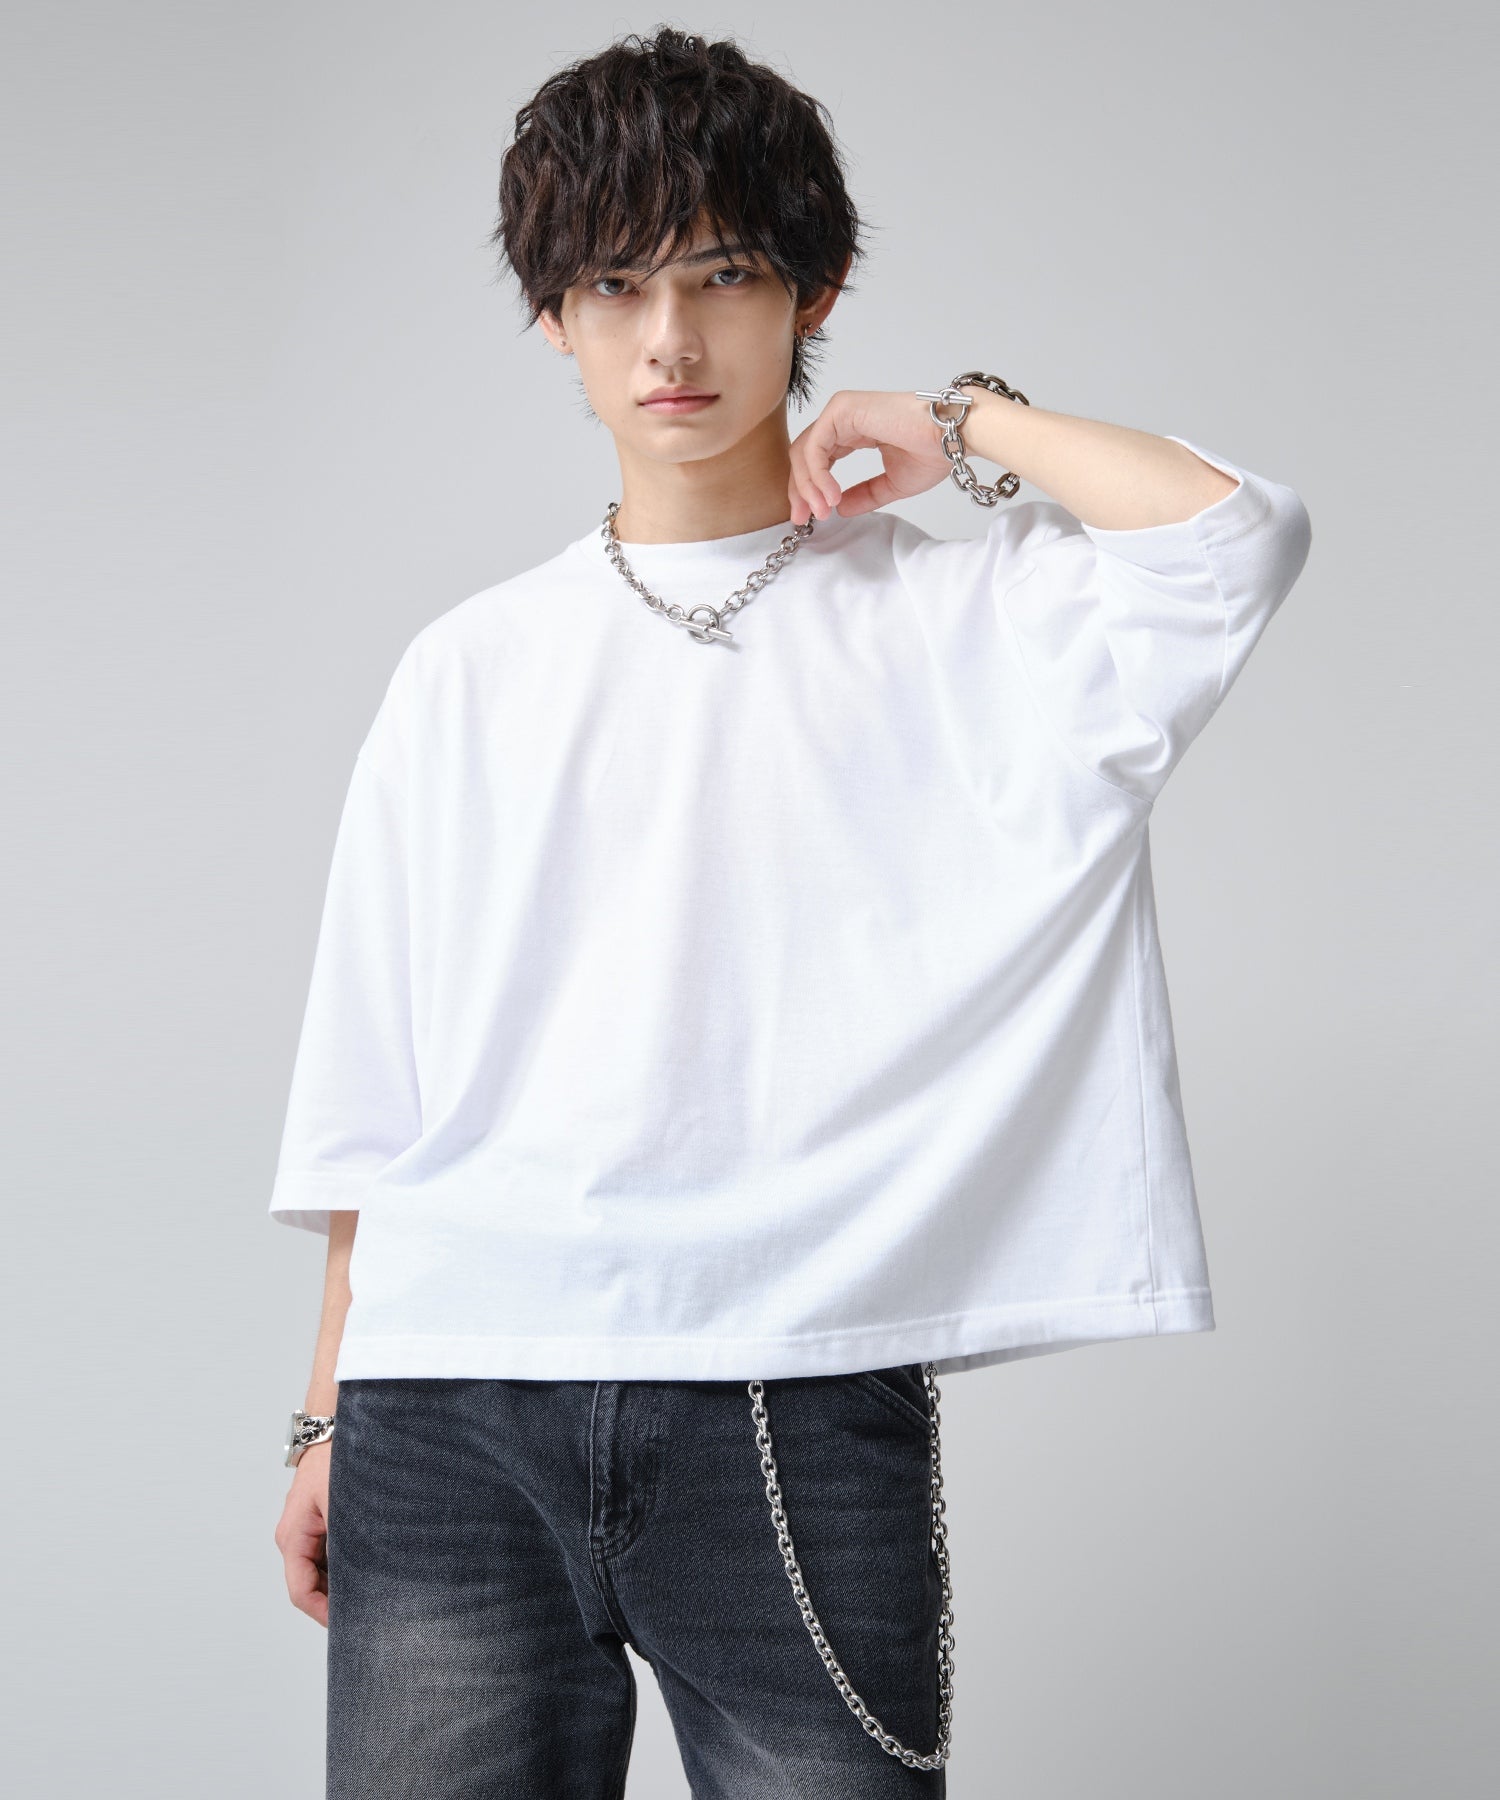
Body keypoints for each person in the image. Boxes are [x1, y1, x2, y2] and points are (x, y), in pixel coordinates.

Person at [270, 25, 1312, 1799]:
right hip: (451, 1396)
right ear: (554, 318)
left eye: (723, 276)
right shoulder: (467, 667)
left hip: (788, 1392)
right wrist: (327, 1411)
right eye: (614, 287)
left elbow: (1235, 540)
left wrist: (961, 422)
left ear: (813, 292)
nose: (669, 342)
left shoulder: (973, 626)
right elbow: (379, 1084)